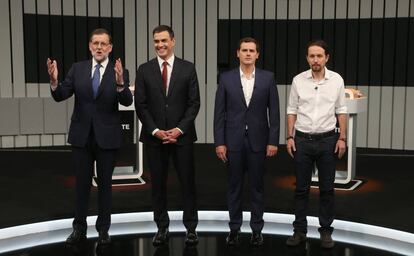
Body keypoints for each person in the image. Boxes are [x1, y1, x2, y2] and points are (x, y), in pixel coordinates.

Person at [46, 28, 133, 246]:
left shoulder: (120, 71)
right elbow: (60, 95)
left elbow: (126, 101)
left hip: (107, 138)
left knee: (105, 186)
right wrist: (54, 81)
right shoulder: (78, 69)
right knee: (82, 185)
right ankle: (79, 229)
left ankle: (103, 230)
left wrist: (121, 82)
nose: (99, 47)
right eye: (95, 43)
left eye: (103, 44)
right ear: (89, 46)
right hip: (81, 138)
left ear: (110, 48)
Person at [134, 25, 200, 246]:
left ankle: (191, 228)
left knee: (187, 184)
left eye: (163, 40)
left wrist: (178, 130)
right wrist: (156, 131)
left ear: (173, 41)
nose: (159, 45)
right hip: (155, 138)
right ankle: (161, 228)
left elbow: (194, 104)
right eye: (156, 41)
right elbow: (141, 105)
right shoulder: (144, 69)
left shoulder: (188, 68)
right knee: (158, 186)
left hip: (182, 138)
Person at [214, 37, 280, 246]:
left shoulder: (268, 78)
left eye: (252, 50)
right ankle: (234, 229)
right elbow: (219, 113)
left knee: (257, 187)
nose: (248, 54)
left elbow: (275, 112)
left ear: (257, 55)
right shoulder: (226, 78)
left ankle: (257, 230)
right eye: (244, 50)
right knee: (234, 187)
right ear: (238, 53)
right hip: (232, 141)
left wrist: (273, 141)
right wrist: (219, 142)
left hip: (259, 141)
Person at [285, 40, 347, 249]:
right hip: (301, 140)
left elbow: (341, 110)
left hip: (328, 140)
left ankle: (326, 232)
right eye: (312, 56)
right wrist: (289, 137)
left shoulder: (336, 80)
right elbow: (291, 110)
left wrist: (342, 138)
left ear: (326, 58)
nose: (315, 60)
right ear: (307, 58)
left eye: (319, 56)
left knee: (327, 189)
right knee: (301, 190)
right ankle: (299, 231)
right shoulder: (298, 80)